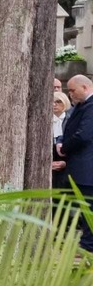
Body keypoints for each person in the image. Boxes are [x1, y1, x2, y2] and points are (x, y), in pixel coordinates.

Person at [57, 75, 93, 250]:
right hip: (80, 166)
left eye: (72, 90)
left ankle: (88, 245)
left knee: (88, 207)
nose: (70, 94)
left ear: (85, 87)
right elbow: (69, 128)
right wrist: (61, 141)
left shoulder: (91, 106)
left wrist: (64, 148)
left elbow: (83, 135)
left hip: (87, 167)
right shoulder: (81, 106)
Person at [52, 91, 71, 189]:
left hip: (66, 157)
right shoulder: (43, 120)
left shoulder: (70, 120)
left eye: (58, 101)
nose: (54, 104)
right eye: (52, 101)